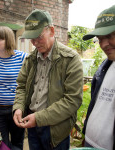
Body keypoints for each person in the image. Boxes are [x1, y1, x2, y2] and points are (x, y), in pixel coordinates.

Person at [13, 9, 83, 150]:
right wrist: (19, 107)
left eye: (39, 37)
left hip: (56, 129)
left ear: (51, 31)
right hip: (32, 126)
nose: (35, 43)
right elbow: (21, 86)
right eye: (31, 38)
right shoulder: (31, 58)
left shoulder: (70, 59)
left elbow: (72, 100)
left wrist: (39, 118)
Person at [82, 5, 115, 150]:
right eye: (100, 39)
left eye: (109, 36)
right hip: (91, 143)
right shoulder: (105, 66)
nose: (104, 44)